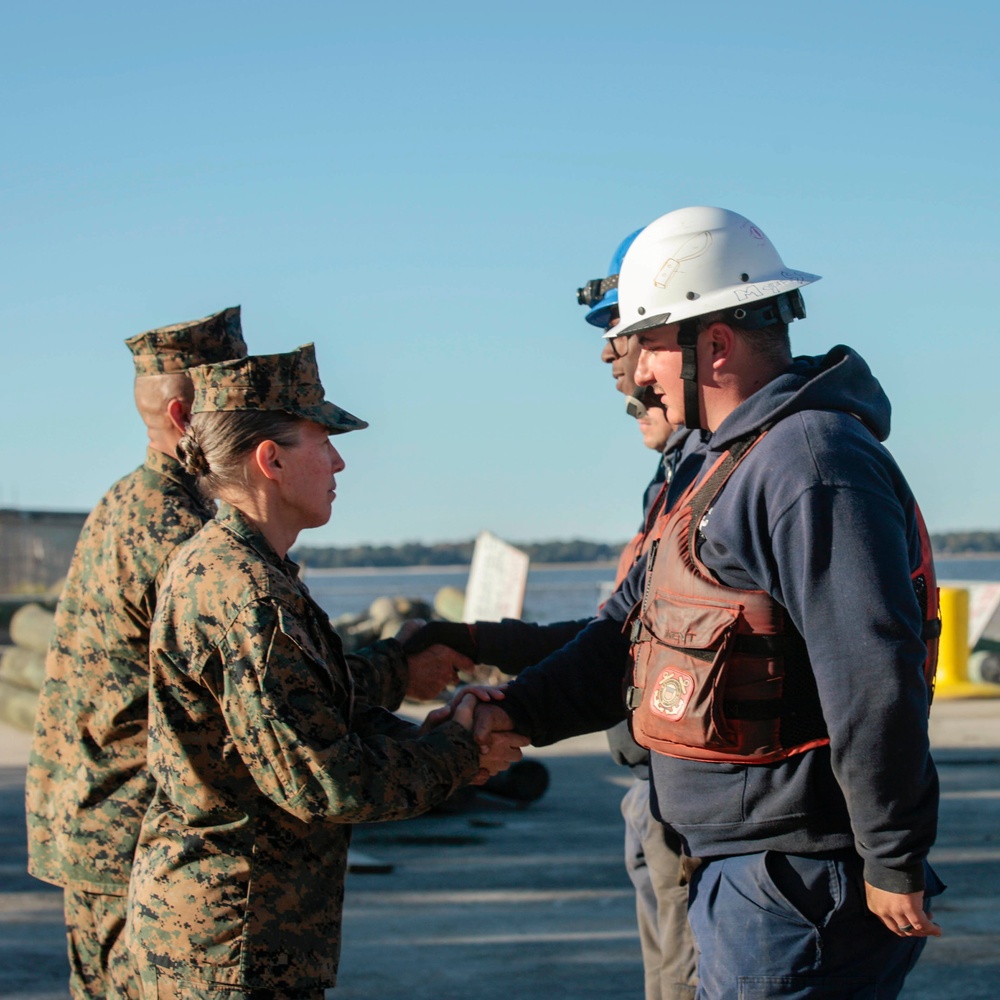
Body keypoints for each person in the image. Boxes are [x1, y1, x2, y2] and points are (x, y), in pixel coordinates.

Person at [470, 206, 943, 999]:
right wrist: (513, 711)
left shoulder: (809, 464)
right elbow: (622, 632)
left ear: (713, 345)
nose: (633, 369)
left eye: (645, 344)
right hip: (741, 870)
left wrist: (892, 855)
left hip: (799, 881)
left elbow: (871, 675)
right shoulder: (716, 469)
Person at [125, 343, 527, 998]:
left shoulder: (245, 569)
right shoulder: (248, 597)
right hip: (233, 948)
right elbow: (323, 782)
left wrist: (420, 731)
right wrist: (461, 753)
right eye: (322, 441)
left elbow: (312, 714)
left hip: (233, 932)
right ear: (270, 460)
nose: (338, 461)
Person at [411, 231, 701, 1000]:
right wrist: (475, 644)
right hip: (664, 800)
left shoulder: (739, 483)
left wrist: (510, 709)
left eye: (627, 338)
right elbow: (614, 639)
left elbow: (632, 651)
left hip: (711, 813)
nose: (620, 374)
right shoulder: (679, 482)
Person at [26, 307, 249, 1000]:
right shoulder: (175, 532)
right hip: (130, 834)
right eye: (234, 398)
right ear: (186, 416)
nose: (251, 414)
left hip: (95, 819)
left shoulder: (131, 500)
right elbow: (246, 680)